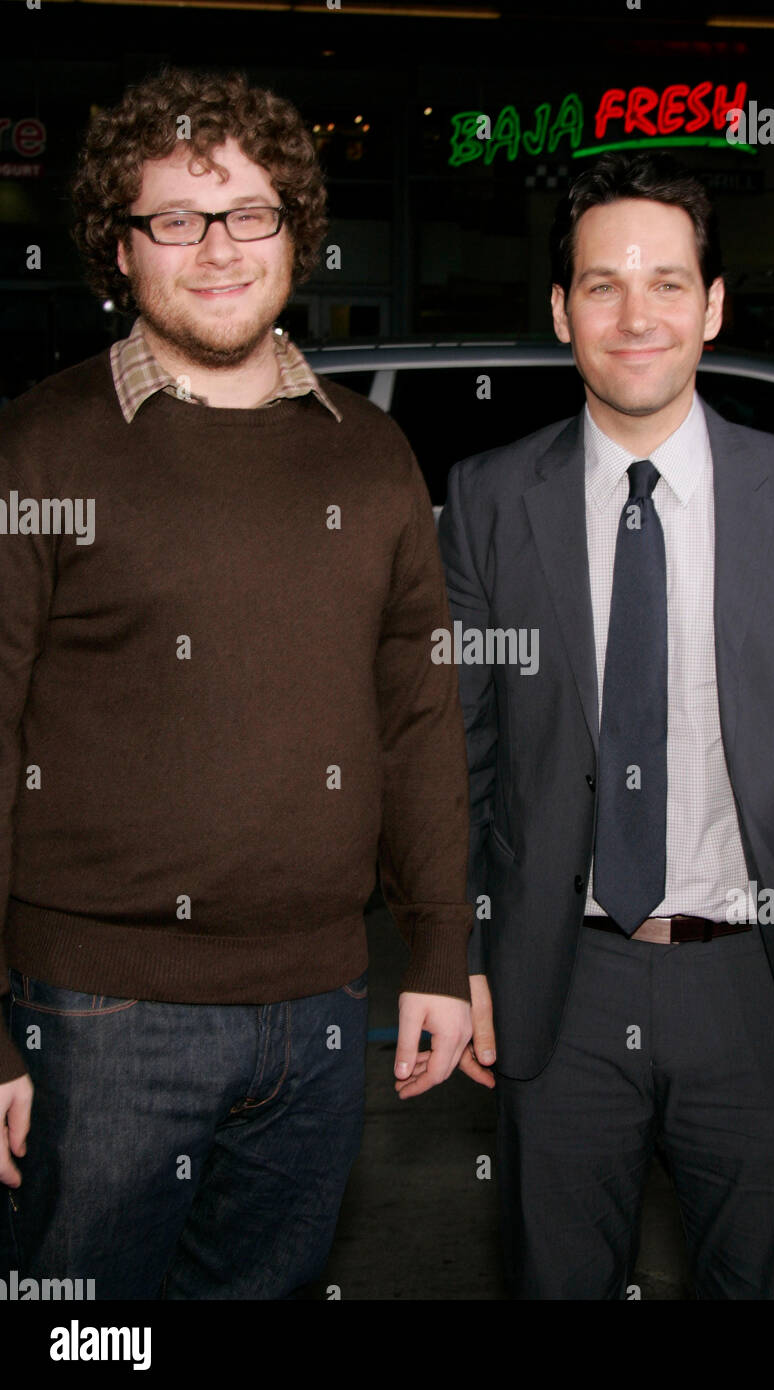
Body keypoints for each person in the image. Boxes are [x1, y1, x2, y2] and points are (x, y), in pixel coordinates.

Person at [0, 66, 473, 1300]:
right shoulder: (39, 445)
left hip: (322, 1007)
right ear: (120, 246)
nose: (217, 248)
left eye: (249, 213)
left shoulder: (371, 457)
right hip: (96, 1015)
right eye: (175, 218)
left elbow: (419, 719)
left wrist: (437, 948)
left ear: (296, 231)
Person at [440, 151, 774, 1300]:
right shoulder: (488, 499)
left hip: (759, 984)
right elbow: (458, 754)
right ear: (561, 311)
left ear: (711, 307)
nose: (634, 313)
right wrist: (455, 953)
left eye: (667, 281)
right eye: (600, 284)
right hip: (557, 983)